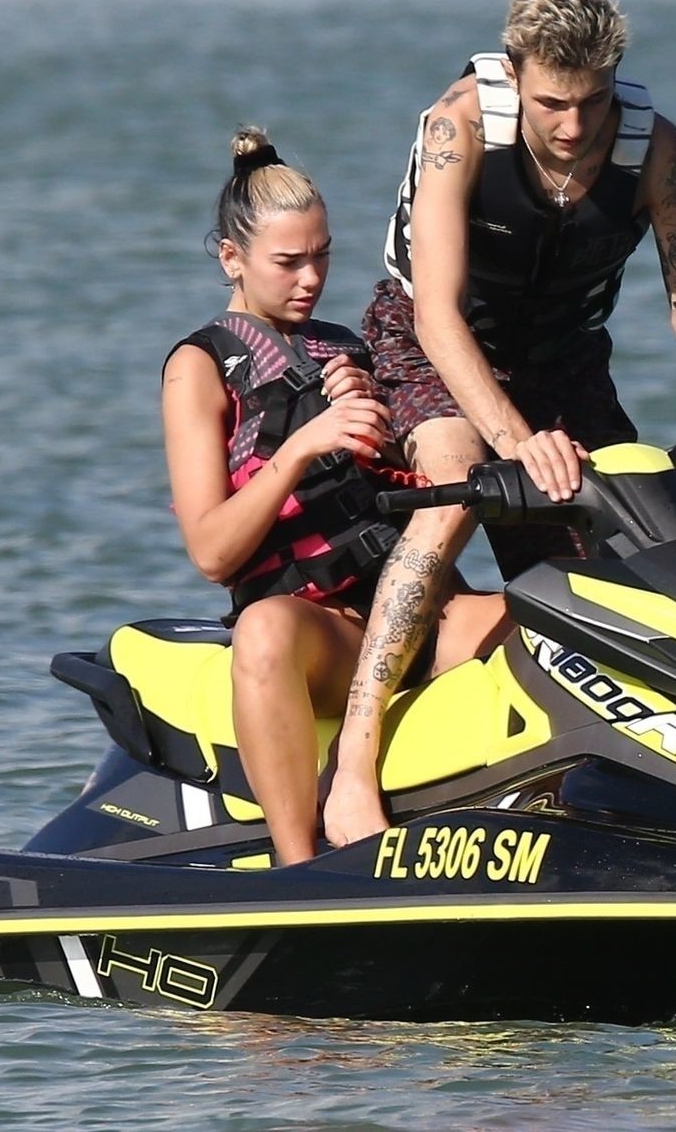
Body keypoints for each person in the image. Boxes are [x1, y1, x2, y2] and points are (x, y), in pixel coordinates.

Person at [322, 0, 676, 848]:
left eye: (592, 102)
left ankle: (598, 779)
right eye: (552, 104)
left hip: (564, 359)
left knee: (627, 547)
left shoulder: (656, 150)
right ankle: (353, 765)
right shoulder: (459, 128)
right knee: (457, 481)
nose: (573, 126)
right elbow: (437, 316)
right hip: (435, 344)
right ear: (515, 73)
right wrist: (518, 443)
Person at [162, 125, 509, 866]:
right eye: (288, 262)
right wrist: (300, 447)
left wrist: (379, 433)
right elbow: (212, 553)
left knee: (565, 618)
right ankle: (300, 869)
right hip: (322, 632)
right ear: (231, 258)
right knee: (262, 631)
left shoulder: (346, 347)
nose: (310, 279)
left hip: (413, 610)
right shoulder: (199, 367)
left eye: (322, 256)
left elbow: (411, 487)